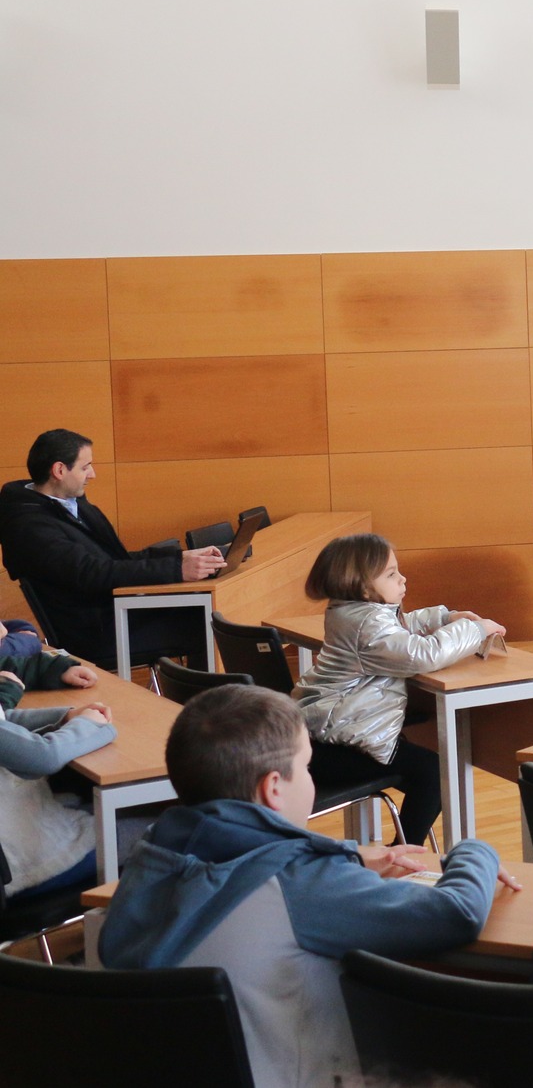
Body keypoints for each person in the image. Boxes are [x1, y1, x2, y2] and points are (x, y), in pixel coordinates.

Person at [99, 684, 507, 1088]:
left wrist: (346, 856)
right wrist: (475, 850)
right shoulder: (302, 882)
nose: (311, 782)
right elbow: (458, 913)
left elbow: (242, 853)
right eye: (308, 768)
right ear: (273, 788)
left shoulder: (148, 859)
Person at [293, 533, 506, 845]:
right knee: (437, 774)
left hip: (325, 734)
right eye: (392, 574)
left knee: (426, 769)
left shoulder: (353, 612)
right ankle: (405, 854)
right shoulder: (366, 625)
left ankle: (404, 850)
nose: (403, 578)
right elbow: (423, 654)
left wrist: (445, 617)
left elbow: (400, 629)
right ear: (363, 586)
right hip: (337, 744)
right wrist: (475, 629)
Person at [0, 428, 225, 669]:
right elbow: (93, 573)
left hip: (119, 613)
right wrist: (177, 569)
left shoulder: (68, 503)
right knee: (210, 623)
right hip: (97, 632)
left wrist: (178, 558)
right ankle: (202, 704)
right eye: (85, 467)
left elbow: (116, 560)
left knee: (207, 610)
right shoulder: (29, 526)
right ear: (59, 470)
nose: (92, 474)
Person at [0, 652, 109, 900]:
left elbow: (4, 721)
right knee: (159, 826)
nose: (4, 632)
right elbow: (43, 757)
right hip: (25, 863)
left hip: (16, 840)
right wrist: (89, 726)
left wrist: (65, 717)